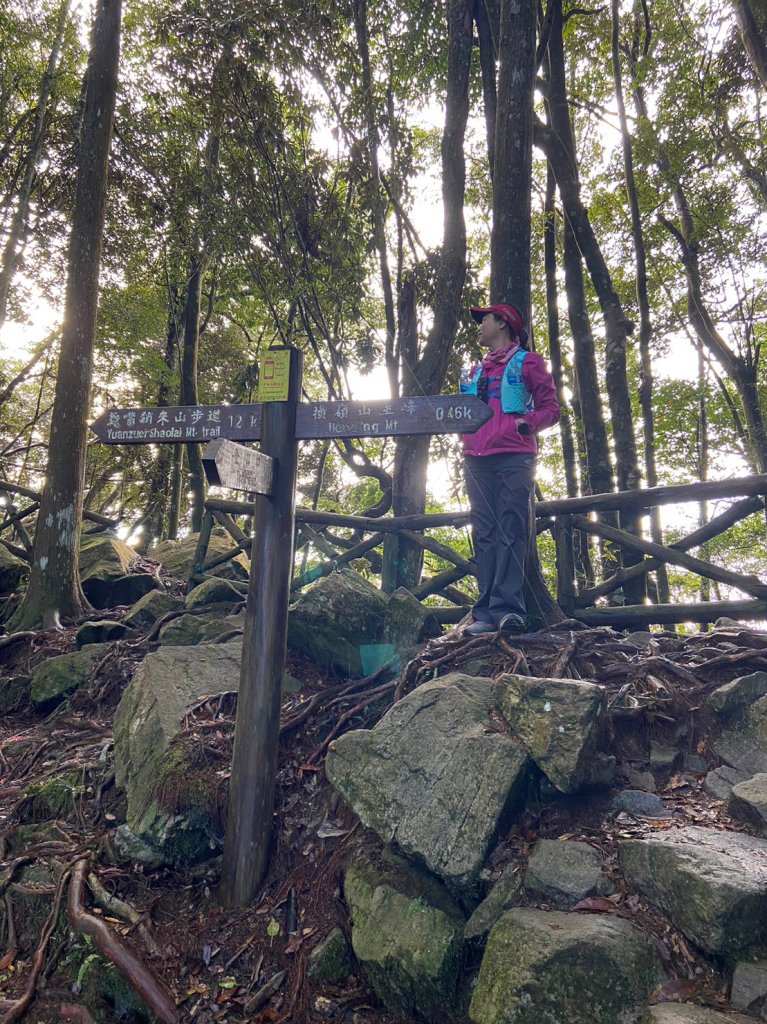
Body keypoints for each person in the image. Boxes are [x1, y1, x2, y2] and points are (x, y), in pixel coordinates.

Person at [459, 303, 560, 635]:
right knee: (484, 534)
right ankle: (485, 613)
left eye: (483, 319)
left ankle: (508, 610)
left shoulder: (530, 362)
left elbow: (551, 408)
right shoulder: (475, 371)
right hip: (476, 458)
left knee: (511, 529)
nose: (478, 326)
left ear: (502, 323)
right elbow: (460, 410)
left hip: (515, 456)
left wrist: (526, 424)